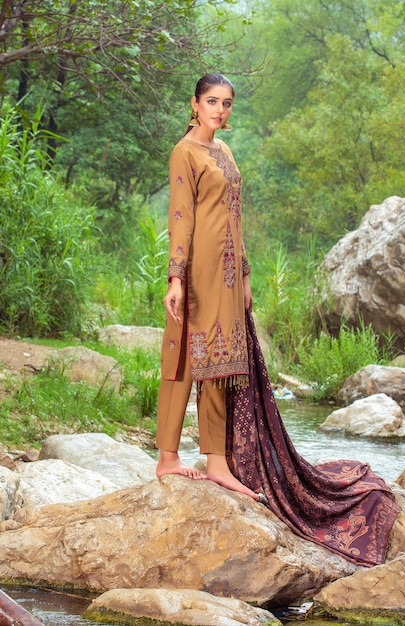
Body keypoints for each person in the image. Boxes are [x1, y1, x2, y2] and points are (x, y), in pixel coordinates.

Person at [155, 72, 261, 502]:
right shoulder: (185, 152)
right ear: (195, 104)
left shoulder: (225, 150)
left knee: (220, 359)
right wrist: (176, 277)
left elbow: (236, 217)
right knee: (185, 354)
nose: (220, 110)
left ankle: (215, 462)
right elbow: (181, 216)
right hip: (198, 269)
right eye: (212, 101)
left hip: (230, 274)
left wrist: (247, 276)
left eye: (227, 103)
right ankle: (167, 457)